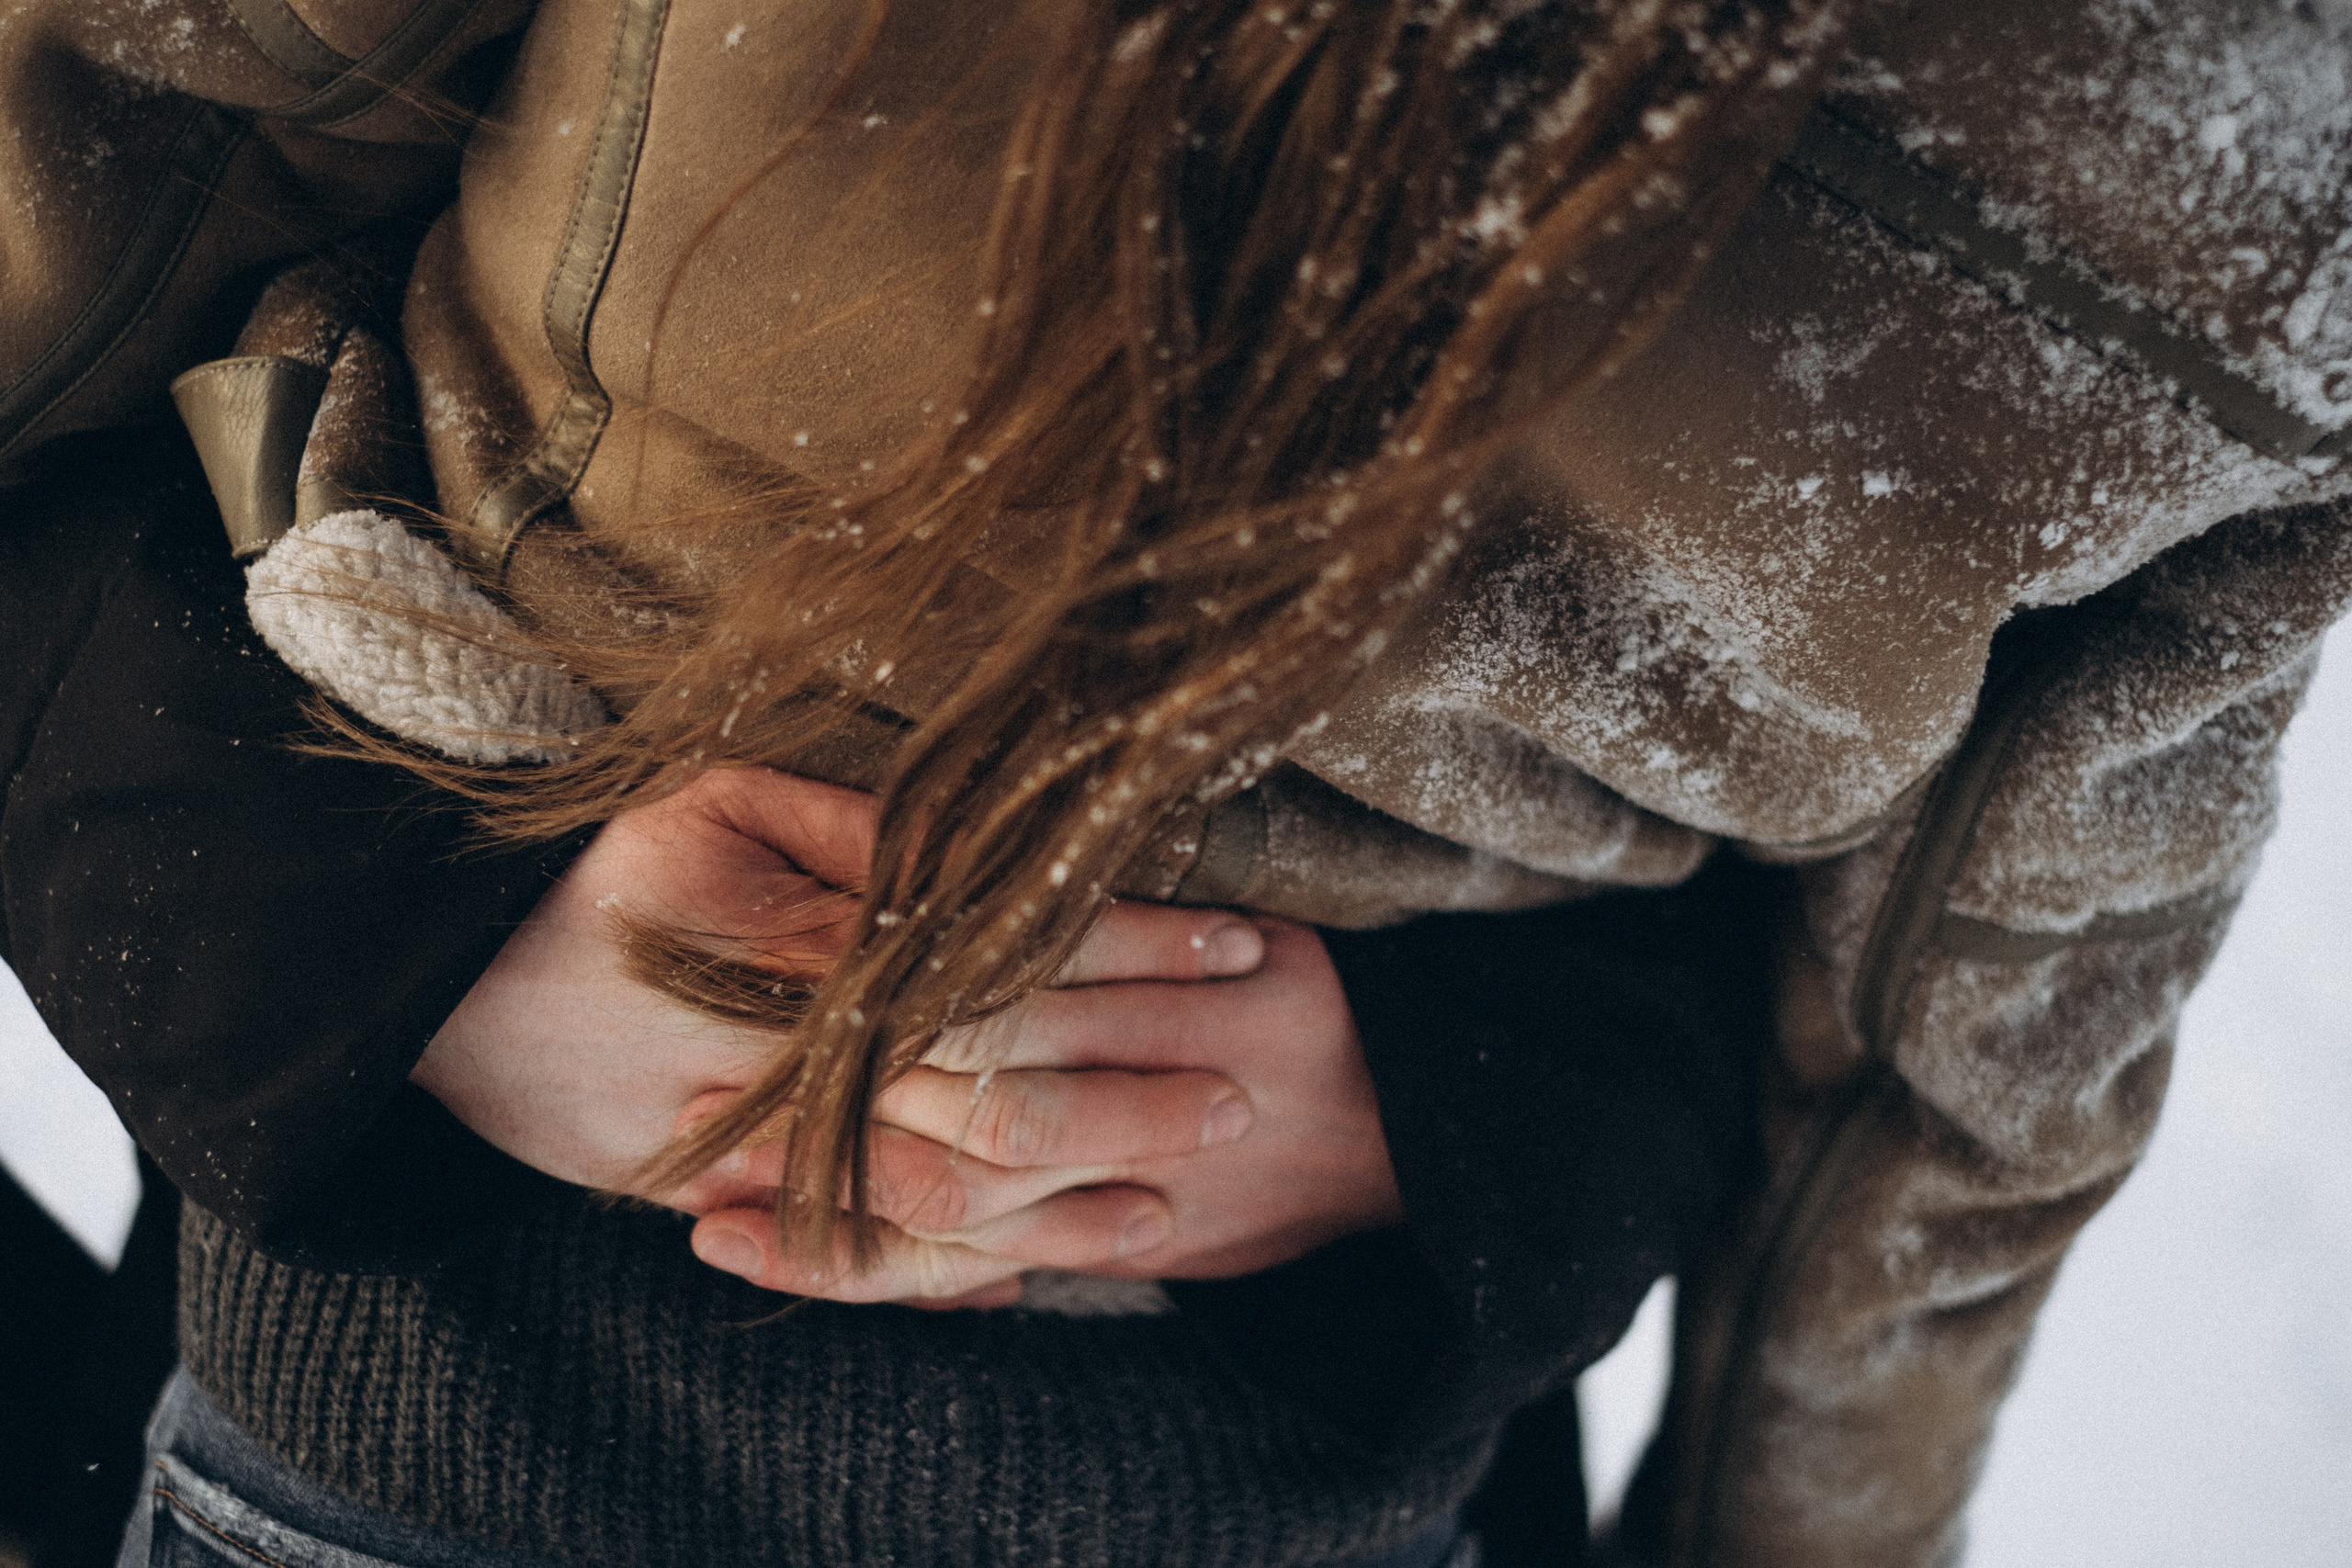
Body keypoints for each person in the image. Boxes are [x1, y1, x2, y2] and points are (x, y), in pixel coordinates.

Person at [1, 0, 2346, 1564]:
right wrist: (356, 919)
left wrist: (1475, 1118)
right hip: (449, 1415)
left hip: (1241, 1461)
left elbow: (1952, 1059)